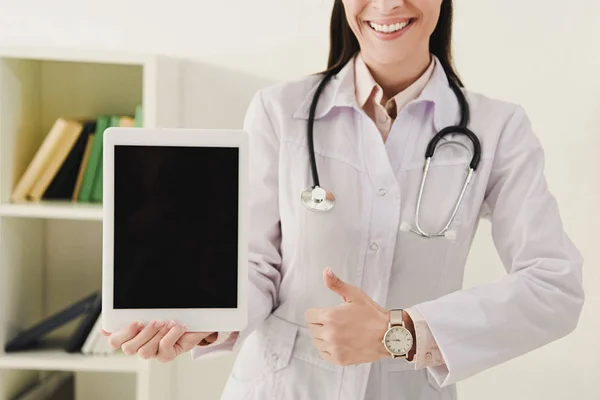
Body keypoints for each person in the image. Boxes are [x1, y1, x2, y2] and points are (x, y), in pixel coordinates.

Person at [101, 0, 585, 399]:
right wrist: (205, 323)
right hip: (281, 386)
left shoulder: (498, 128)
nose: (389, 4)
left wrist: (403, 332)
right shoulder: (279, 111)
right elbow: (255, 265)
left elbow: (553, 285)